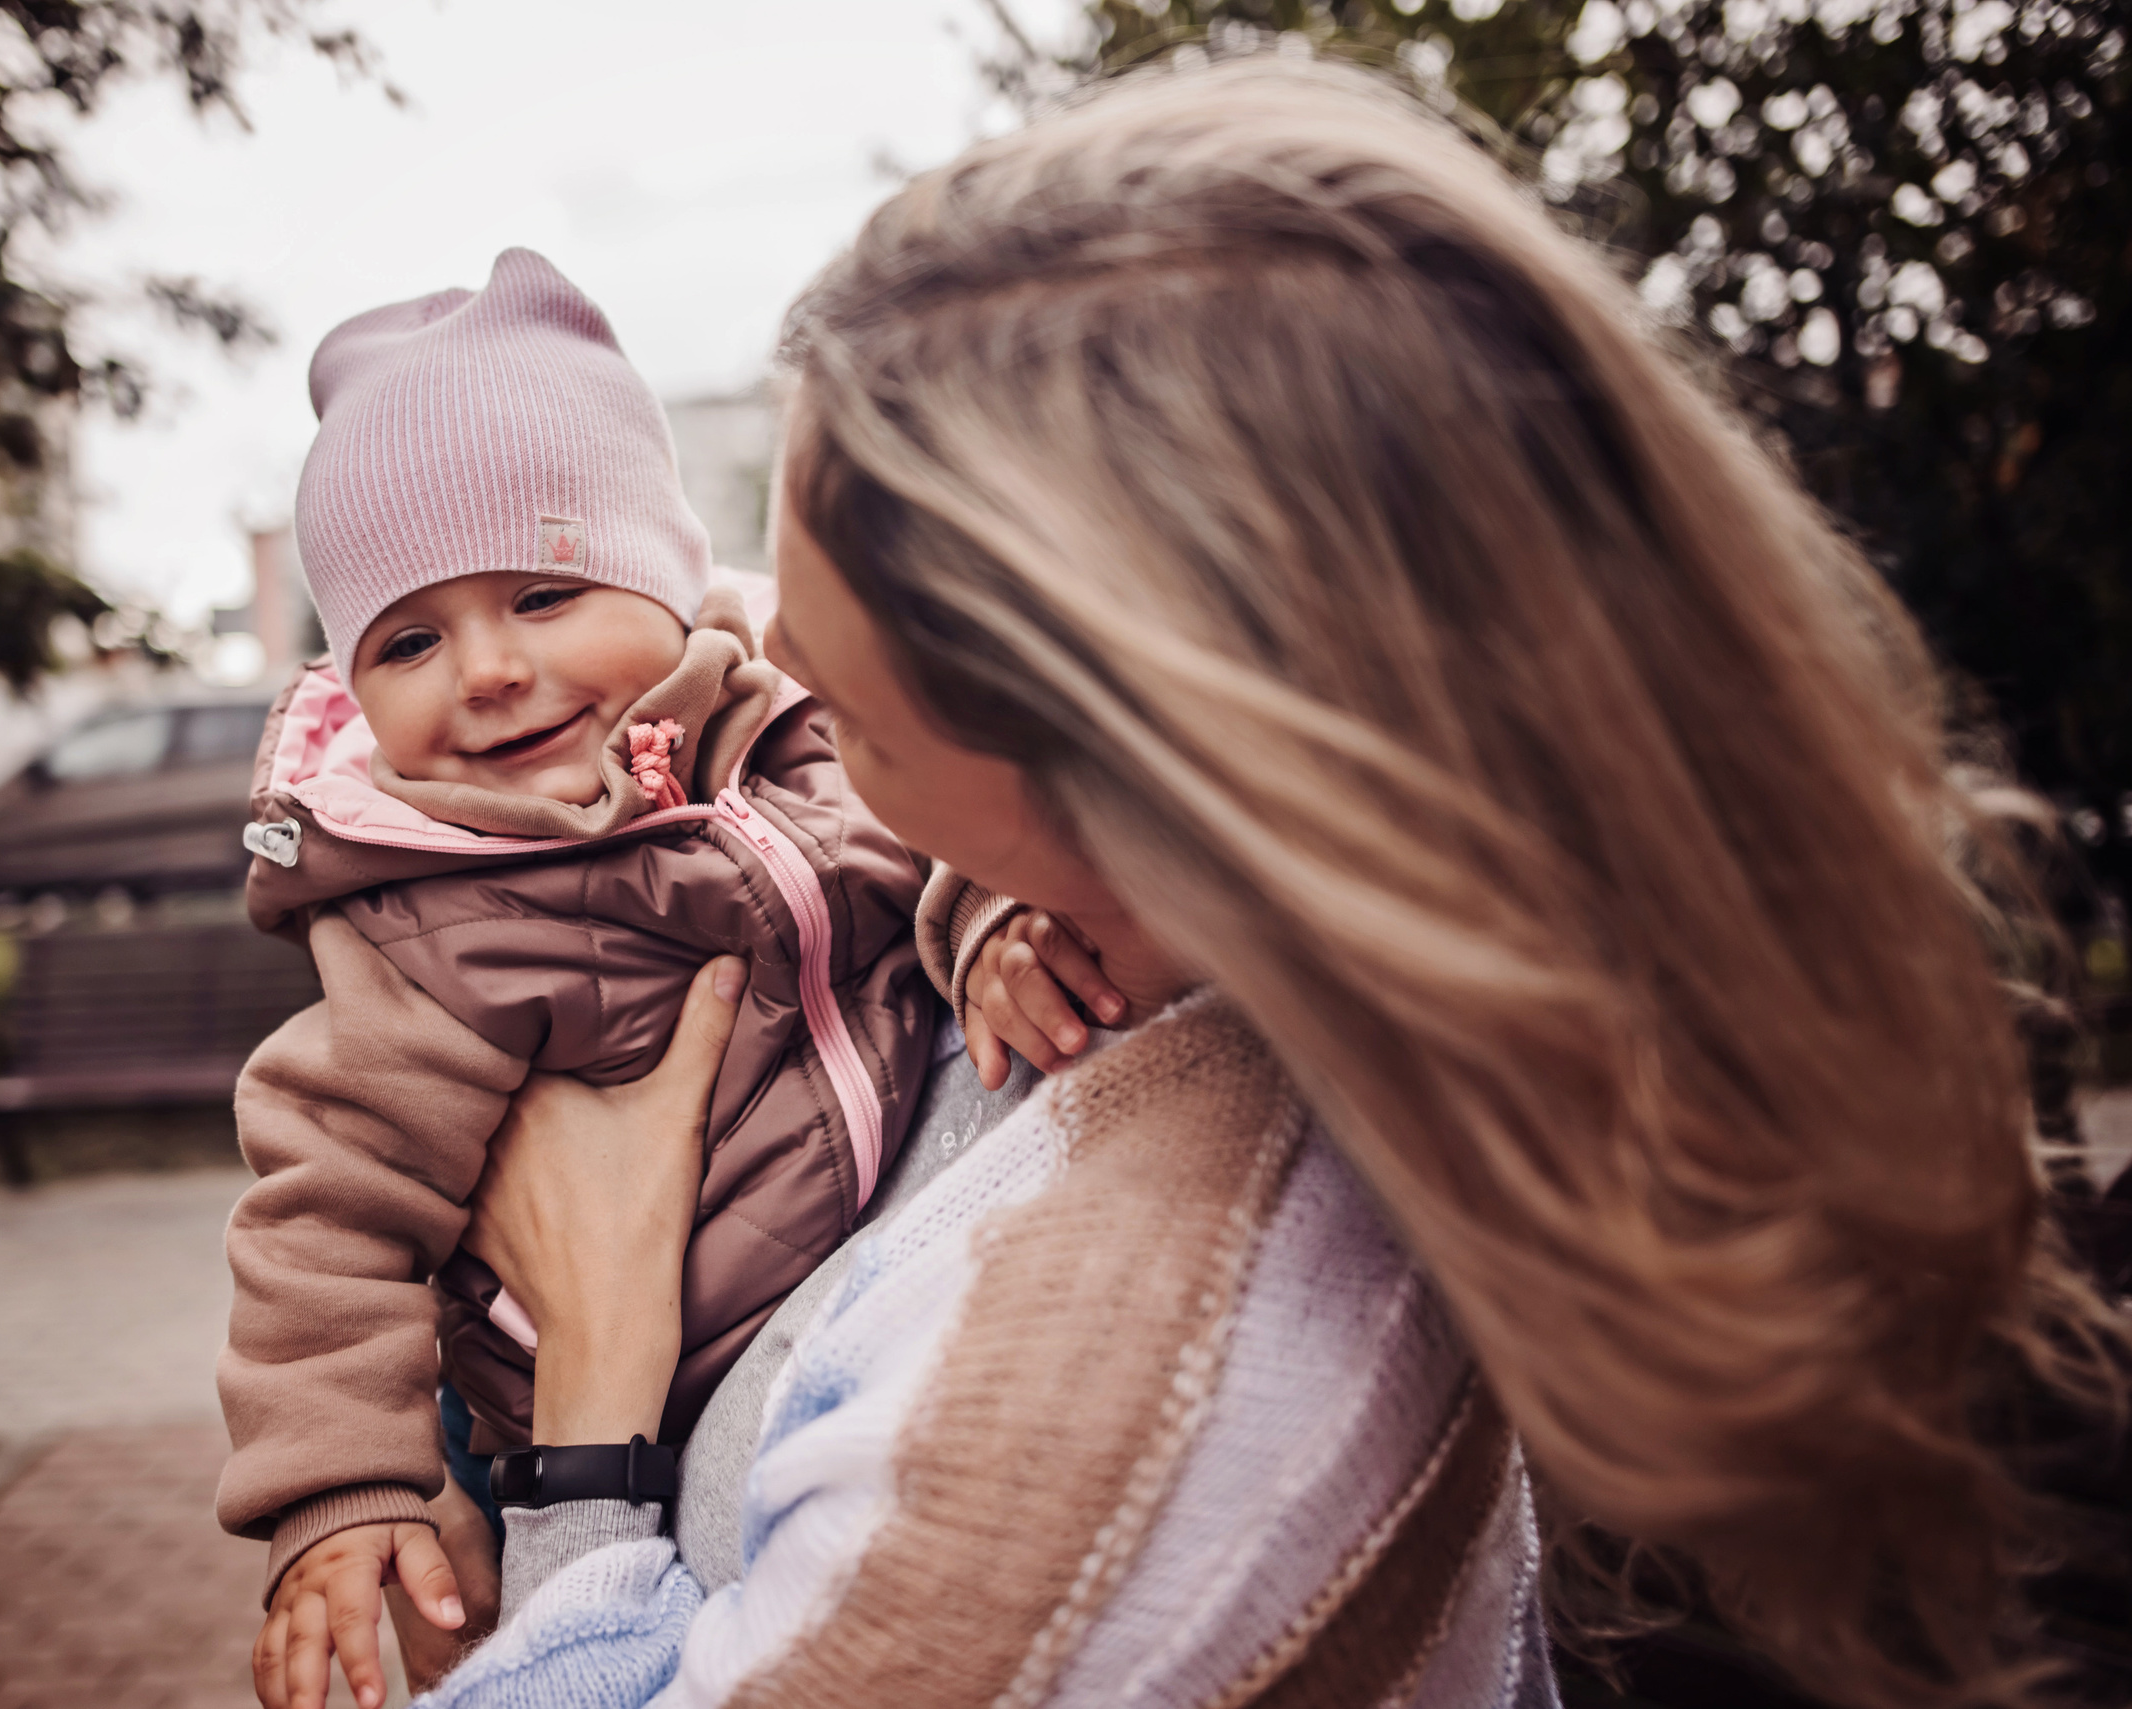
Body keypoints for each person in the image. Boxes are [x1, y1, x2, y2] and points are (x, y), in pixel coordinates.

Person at [393, 56, 2126, 1709]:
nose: (755, 651)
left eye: (838, 690)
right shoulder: (1213, 992)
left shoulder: (1113, 1406)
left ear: (1129, 747)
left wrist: (588, 1428)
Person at [215, 249, 940, 1706]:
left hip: (837, 1338)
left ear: (669, 579)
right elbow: (324, 1212)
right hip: (596, 1420)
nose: (483, 668)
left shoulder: (801, 735)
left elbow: (943, 841)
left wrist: (996, 927)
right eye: (409, 639)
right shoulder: (421, 918)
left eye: (545, 593)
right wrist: (340, 1492)